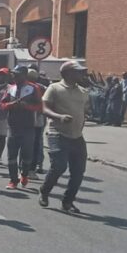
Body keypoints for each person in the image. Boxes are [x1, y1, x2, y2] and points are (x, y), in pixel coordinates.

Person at [39, 61, 90, 214]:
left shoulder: (82, 91)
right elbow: (44, 108)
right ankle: (44, 190)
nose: (81, 74)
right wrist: (59, 116)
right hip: (58, 133)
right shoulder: (54, 88)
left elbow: (85, 109)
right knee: (59, 166)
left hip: (77, 136)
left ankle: (67, 201)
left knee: (78, 171)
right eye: (78, 72)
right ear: (68, 73)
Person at [0, 65, 44, 190]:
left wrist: (26, 106)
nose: (15, 76)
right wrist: (11, 105)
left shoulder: (33, 88)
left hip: (28, 127)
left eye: (17, 74)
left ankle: (24, 174)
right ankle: (13, 180)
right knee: (11, 155)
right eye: (14, 74)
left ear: (24, 75)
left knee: (26, 155)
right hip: (13, 127)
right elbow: (2, 105)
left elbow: (39, 107)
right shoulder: (11, 88)